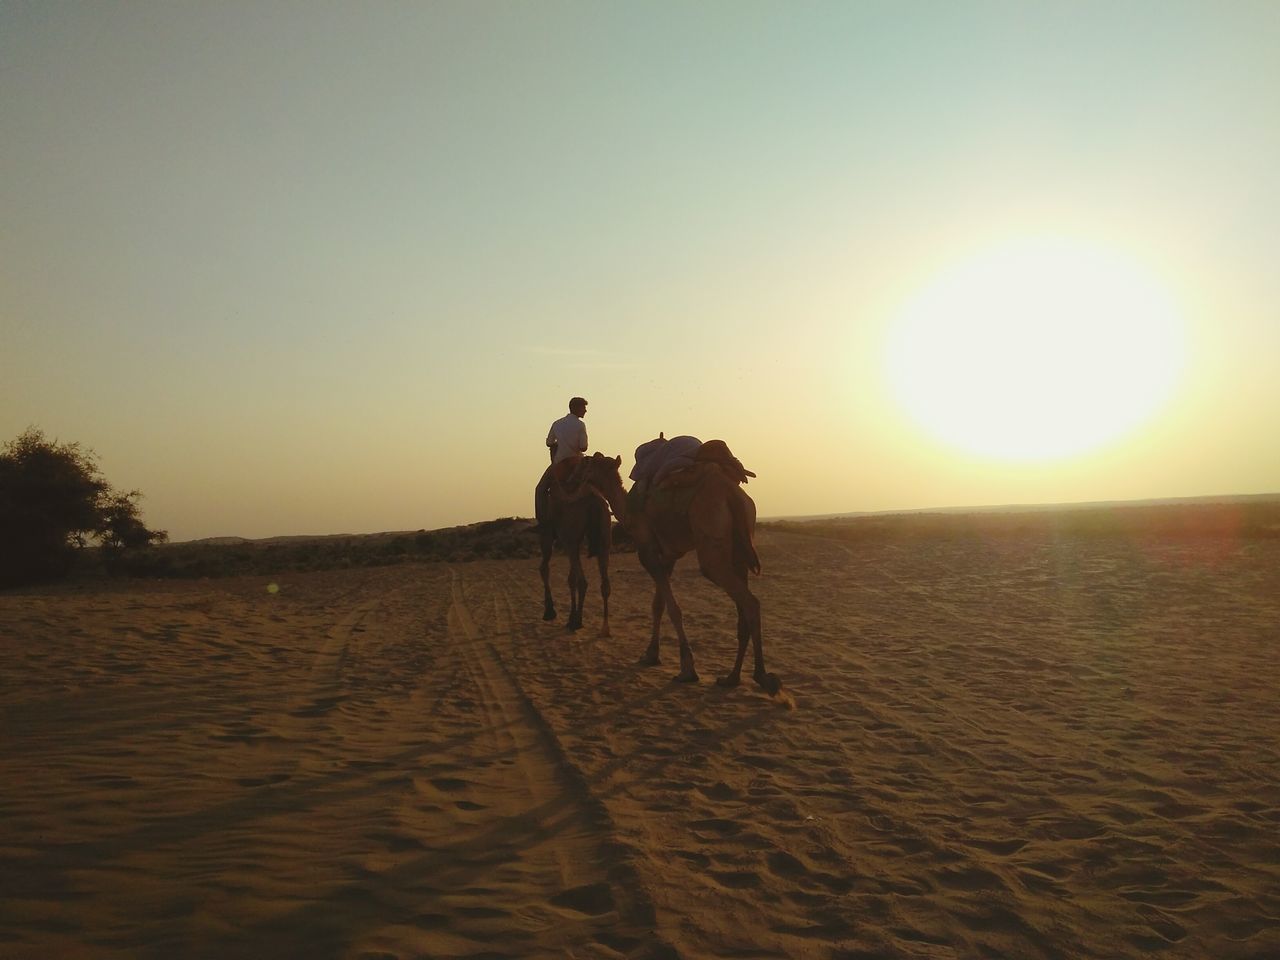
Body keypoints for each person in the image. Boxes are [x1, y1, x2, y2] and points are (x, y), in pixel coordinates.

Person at [534, 397, 588, 531]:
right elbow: (583, 447)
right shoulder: (580, 425)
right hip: (577, 463)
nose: (585, 411)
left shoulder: (557, 423)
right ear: (575, 408)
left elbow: (549, 442)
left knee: (540, 490)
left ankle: (542, 523)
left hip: (559, 464)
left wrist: (560, 444)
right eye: (583, 407)